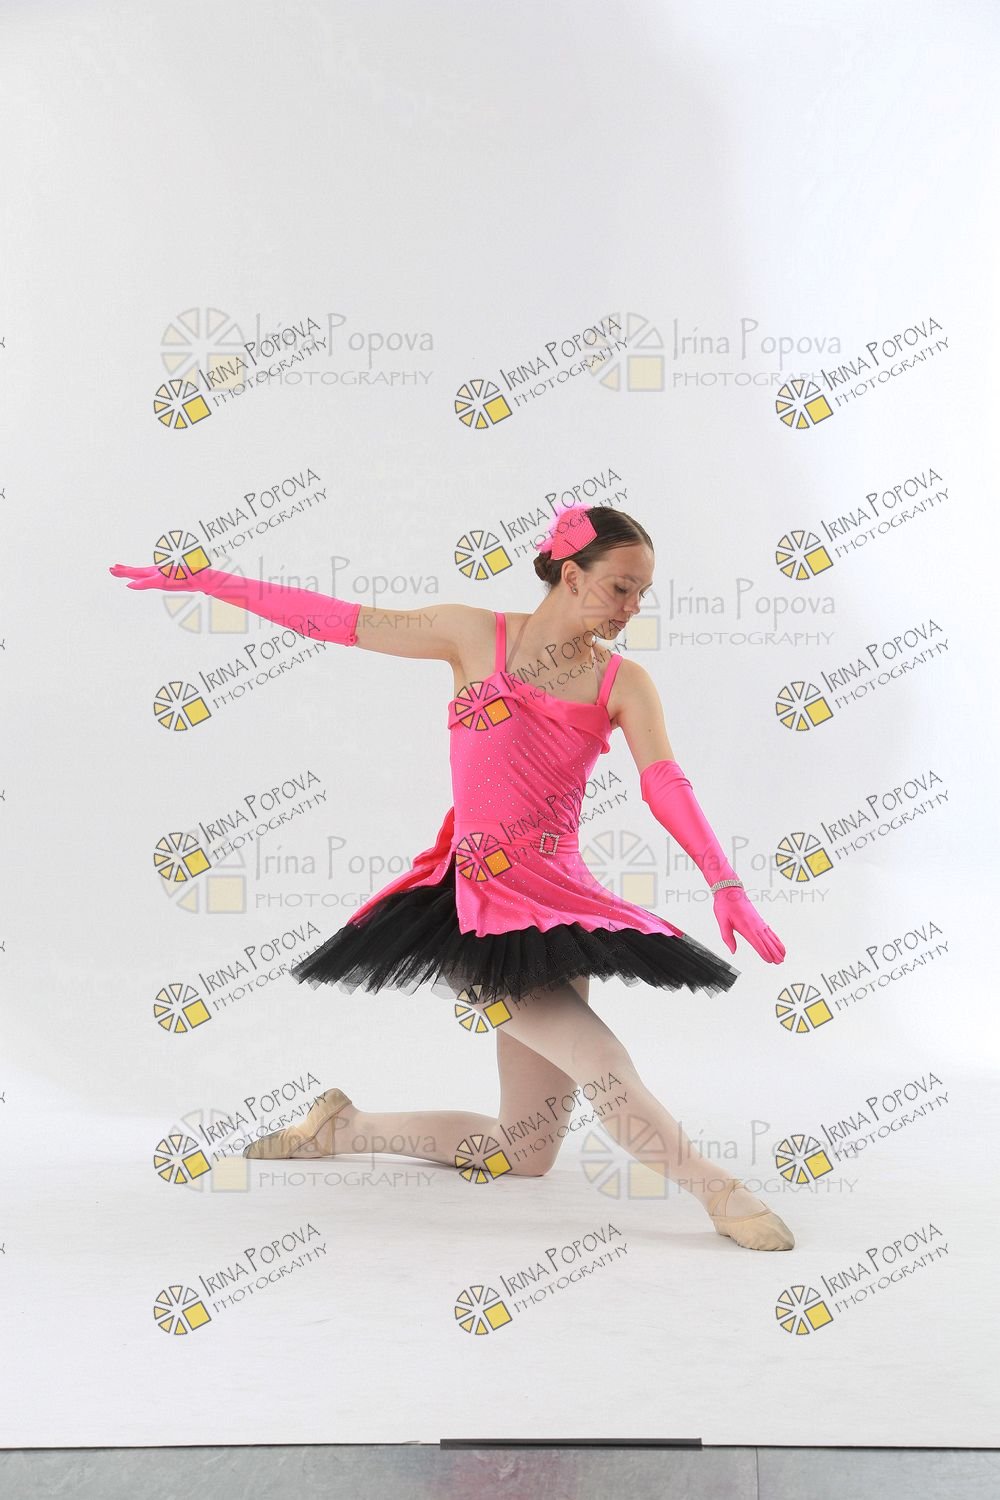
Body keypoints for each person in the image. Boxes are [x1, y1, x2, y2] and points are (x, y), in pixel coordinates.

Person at [109, 503, 794, 1250]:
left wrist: (725, 882)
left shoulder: (623, 682)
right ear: (571, 575)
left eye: (642, 593)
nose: (633, 608)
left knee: (523, 1152)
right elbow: (339, 620)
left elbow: (665, 782)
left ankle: (344, 1128)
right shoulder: (473, 636)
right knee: (601, 1061)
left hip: (558, 911)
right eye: (621, 588)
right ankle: (720, 1195)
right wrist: (213, 581)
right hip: (475, 907)